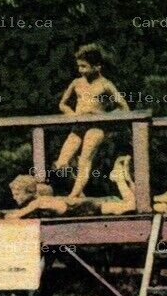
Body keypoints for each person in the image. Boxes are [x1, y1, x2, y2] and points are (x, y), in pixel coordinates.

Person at [53, 43, 130, 199]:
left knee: (84, 160)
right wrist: (71, 113)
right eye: (79, 66)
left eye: (84, 66)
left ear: (97, 67)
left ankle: (73, 195)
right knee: (61, 164)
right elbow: (63, 103)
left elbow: (124, 107)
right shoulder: (77, 83)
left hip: (97, 127)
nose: (81, 70)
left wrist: (102, 115)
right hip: (79, 126)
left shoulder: (105, 85)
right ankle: (80, 193)